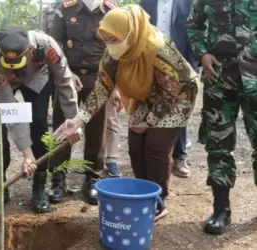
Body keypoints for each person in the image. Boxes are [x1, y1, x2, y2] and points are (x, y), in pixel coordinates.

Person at [55, 4, 199, 221]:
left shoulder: (157, 47)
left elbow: (171, 91)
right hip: (147, 94)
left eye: (114, 39)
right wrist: (77, 120)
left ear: (129, 33)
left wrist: (149, 122)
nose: (110, 45)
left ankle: (159, 202)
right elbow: (102, 89)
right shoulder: (113, 52)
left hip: (178, 96)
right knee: (135, 142)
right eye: (107, 40)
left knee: (155, 147)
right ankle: (144, 195)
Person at [0, 24, 78, 214]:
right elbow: (13, 112)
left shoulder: (48, 46)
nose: (16, 70)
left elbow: (65, 82)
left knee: (39, 123)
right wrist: (27, 154)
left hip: (37, 78)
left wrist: (74, 121)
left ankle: (39, 187)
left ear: (30, 50)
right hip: (5, 83)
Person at [187, 0, 257, 235]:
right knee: (218, 145)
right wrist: (203, 53)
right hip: (219, 79)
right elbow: (193, 25)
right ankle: (221, 210)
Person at [47, 0, 121, 205]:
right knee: (63, 128)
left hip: (100, 79)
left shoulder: (112, 11)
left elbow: (117, 49)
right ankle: (58, 179)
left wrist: (116, 87)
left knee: (97, 130)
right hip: (67, 79)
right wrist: (67, 74)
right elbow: (54, 46)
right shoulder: (65, 8)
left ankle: (92, 179)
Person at [140, 0, 198, 178]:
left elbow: (193, 32)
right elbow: (140, 29)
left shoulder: (188, 3)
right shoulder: (147, 2)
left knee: (179, 110)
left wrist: (193, 66)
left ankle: (179, 156)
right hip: (151, 63)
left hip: (179, 64)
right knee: (150, 105)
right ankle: (151, 154)